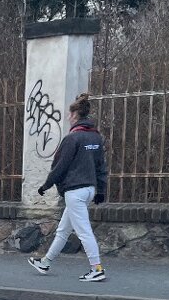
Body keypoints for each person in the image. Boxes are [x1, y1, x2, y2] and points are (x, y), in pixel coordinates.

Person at [28, 93, 109, 282]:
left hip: (75, 191)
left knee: (84, 231)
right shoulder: (96, 138)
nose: (67, 117)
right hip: (89, 190)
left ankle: (97, 268)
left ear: (74, 115)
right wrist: (101, 190)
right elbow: (101, 166)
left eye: (68, 114)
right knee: (64, 230)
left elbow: (60, 166)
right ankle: (46, 262)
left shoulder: (72, 139)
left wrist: (46, 185)